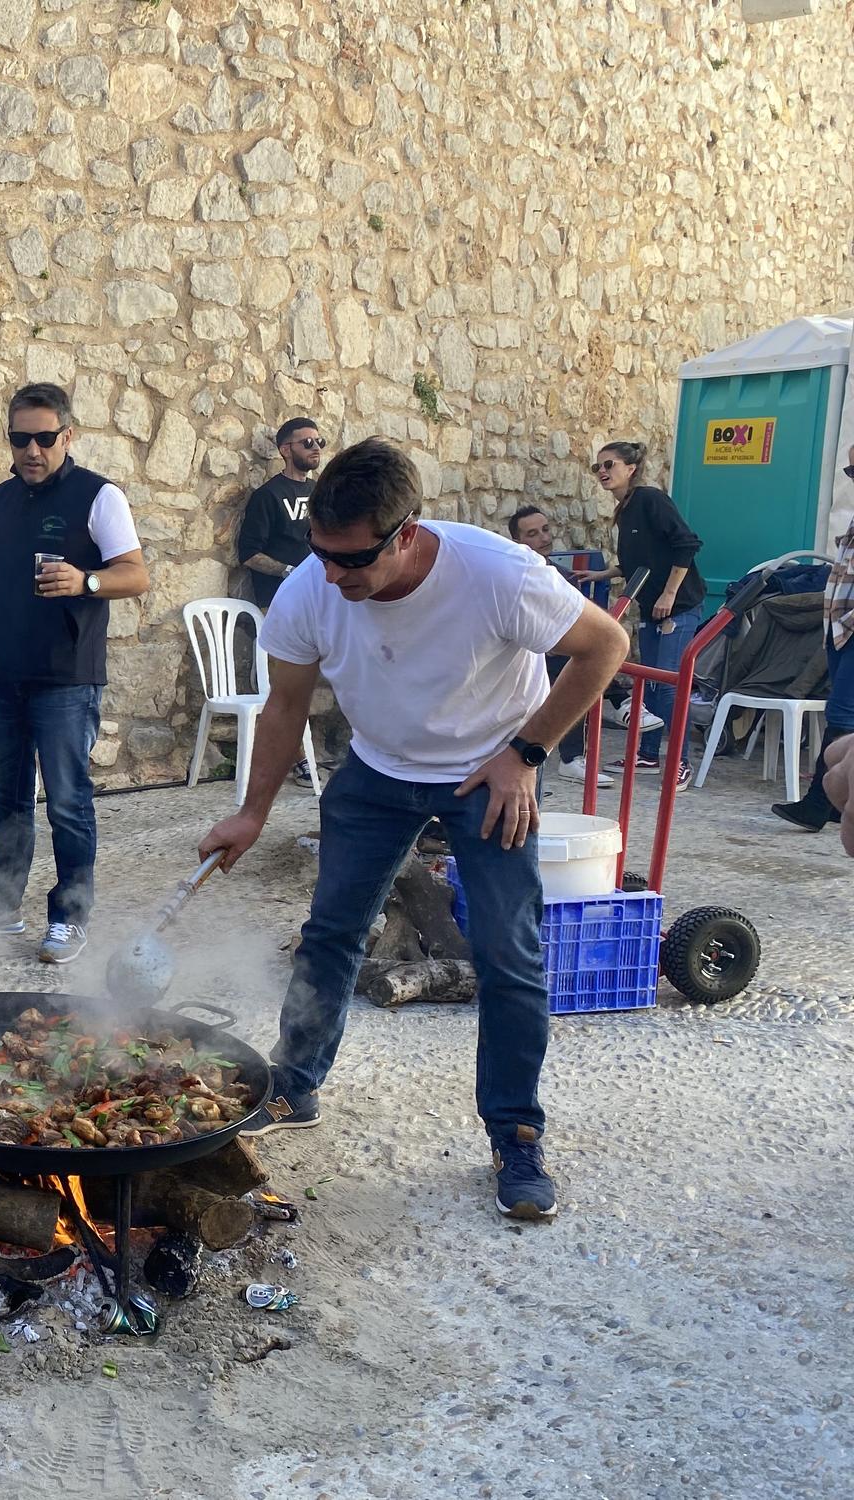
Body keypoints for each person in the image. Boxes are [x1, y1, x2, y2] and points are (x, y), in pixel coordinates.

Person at [199, 437, 629, 1221]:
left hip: (487, 772)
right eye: (320, 554)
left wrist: (525, 754)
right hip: (378, 770)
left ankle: (516, 1133)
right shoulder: (310, 589)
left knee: (509, 953)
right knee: (330, 933)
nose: (334, 576)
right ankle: (295, 1087)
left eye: (353, 561)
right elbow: (286, 707)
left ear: (406, 532)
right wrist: (252, 812)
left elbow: (606, 646)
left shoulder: (498, 575)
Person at [0, 382, 149, 964]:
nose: (32, 450)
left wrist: (88, 581)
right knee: (5, 793)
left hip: (67, 678)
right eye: (20, 438)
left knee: (67, 800)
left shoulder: (97, 497)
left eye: (44, 438)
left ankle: (70, 918)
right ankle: (1, 903)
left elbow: (135, 574)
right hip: (5, 672)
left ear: (67, 436)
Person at [580, 441, 706, 785]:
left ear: (631, 468)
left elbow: (687, 544)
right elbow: (645, 558)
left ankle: (680, 762)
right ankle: (649, 755)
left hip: (676, 607)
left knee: (666, 686)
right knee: (649, 684)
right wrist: (606, 574)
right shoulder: (626, 508)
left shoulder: (650, 499)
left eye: (610, 465)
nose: (603, 472)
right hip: (651, 608)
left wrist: (669, 593)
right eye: (598, 467)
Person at [772, 444, 854, 830]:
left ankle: (818, 803)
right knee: (846, 717)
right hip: (839, 629)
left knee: (842, 715)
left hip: (848, 628)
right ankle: (839, 800)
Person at [507, 505, 614, 790]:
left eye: (545, 530)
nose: (543, 538)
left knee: (577, 666)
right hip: (516, 654)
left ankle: (572, 758)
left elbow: (577, 629)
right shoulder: (506, 575)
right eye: (532, 533)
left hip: (551, 654)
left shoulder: (564, 578)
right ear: (518, 542)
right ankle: (619, 701)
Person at [237, 417, 324, 609]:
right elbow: (249, 554)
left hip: (317, 597)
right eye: (308, 443)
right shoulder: (267, 495)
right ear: (286, 450)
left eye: (320, 442)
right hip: (281, 601)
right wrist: (290, 572)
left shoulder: (318, 490)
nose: (316, 447)